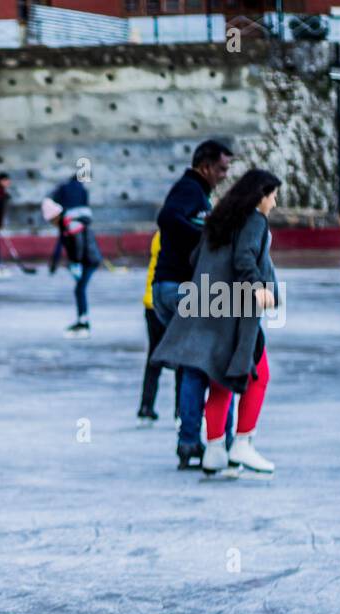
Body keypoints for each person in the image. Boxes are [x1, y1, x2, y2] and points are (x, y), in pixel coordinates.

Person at [151, 169, 281, 479]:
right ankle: (243, 442)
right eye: (273, 196)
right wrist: (258, 286)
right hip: (236, 307)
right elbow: (245, 258)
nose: (274, 203)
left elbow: (196, 258)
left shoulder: (219, 220)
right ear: (260, 196)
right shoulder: (254, 220)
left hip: (208, 304)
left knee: (219, 379)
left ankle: (213, 451)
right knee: (258, 375)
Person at [153, 140, 235, 469]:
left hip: (169, 287)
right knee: (204, 365)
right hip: (180, 288)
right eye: (221, 168)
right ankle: (207, 441)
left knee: (192, 363)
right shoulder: (189, 188)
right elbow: (167, 218)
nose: (224, 175)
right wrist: (206, 240)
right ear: (204, 166)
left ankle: (189, 441)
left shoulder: (196, 192)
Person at [43, 195, 101, 338]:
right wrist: (55, 264)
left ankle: (83, 322)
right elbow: (61, 245)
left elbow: (79, 245)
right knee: (79, 290)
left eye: (51, 220)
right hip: (83, 261)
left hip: (89, 260)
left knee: (79, 289)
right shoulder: (64, 224)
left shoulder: (71, 223)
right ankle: (82, 319)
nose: (51, 223)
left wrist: (76, 262)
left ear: (55, 216)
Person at [138, 230, 179, 425]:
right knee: (182, 357)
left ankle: (146, 408)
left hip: (151, 302)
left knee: (153, 357)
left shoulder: (159, 235)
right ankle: (181, 411)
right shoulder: (181, 235)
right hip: (169, 304)